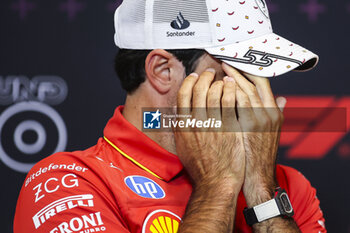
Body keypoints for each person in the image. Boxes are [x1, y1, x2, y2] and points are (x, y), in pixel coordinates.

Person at [14, 0, 326, 232]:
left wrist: (261, 192)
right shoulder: (69, 183)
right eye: (239, 73)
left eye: (260, 75)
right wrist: (218, 186)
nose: (258, 97)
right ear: (163, 71)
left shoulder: (285, 184)